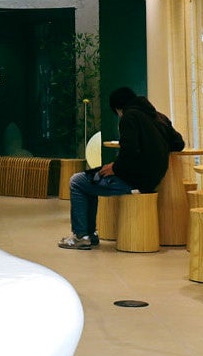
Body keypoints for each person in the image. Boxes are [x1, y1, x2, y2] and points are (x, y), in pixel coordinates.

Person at [62, 87, 175, 250]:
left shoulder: (129, 117)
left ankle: (81, 236)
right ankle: (89, 235)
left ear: (118, 108)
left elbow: (130, 150)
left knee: (77, 181)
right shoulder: (159, 117)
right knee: (90, 182)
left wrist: (116, 167)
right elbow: (179, 143)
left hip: (133, 180)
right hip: (152, 180)